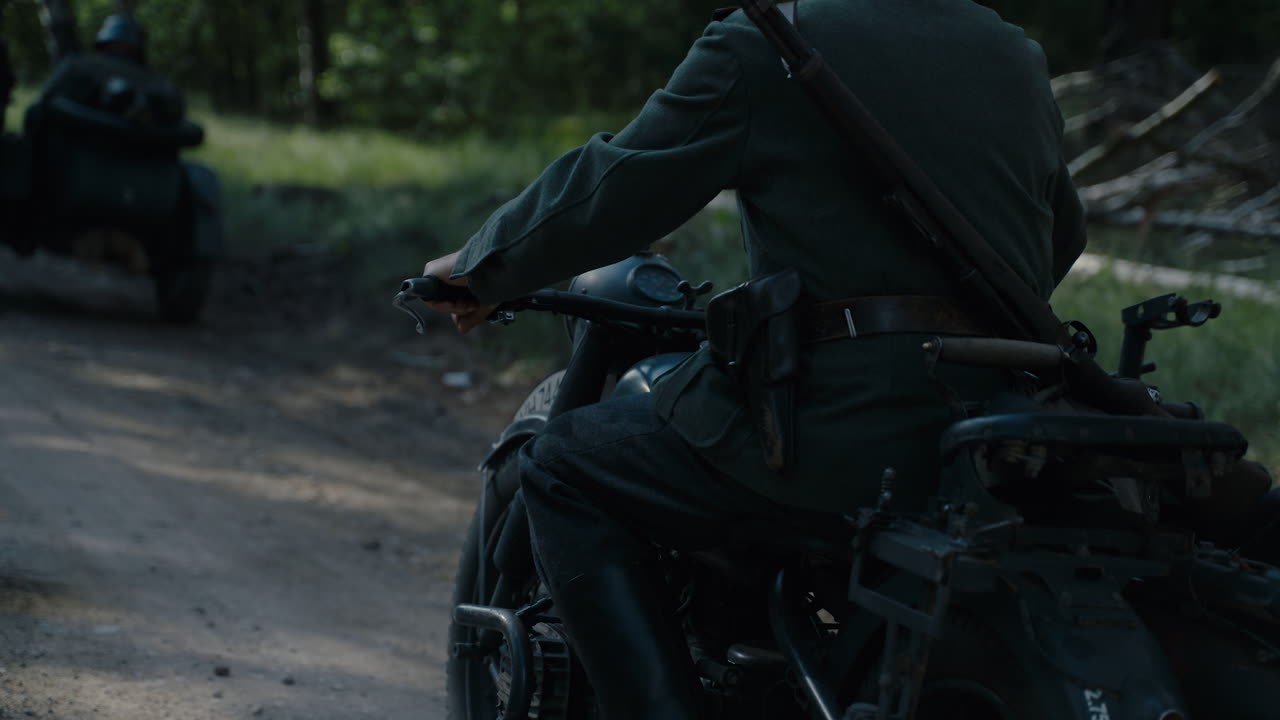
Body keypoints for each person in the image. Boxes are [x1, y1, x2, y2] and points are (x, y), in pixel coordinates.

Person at [421, 1, 1085, 717]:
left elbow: (619, 183)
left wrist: (482, 265)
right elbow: (1060, 237)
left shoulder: (769, 41)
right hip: (1003, 432)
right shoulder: (1011, 50)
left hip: (842, 434)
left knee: (567, 464)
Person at [35, 14, 185, 127]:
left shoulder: (76, 66)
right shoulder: (162, 83)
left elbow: (39, 110)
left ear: (103, 40)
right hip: (144, 162)